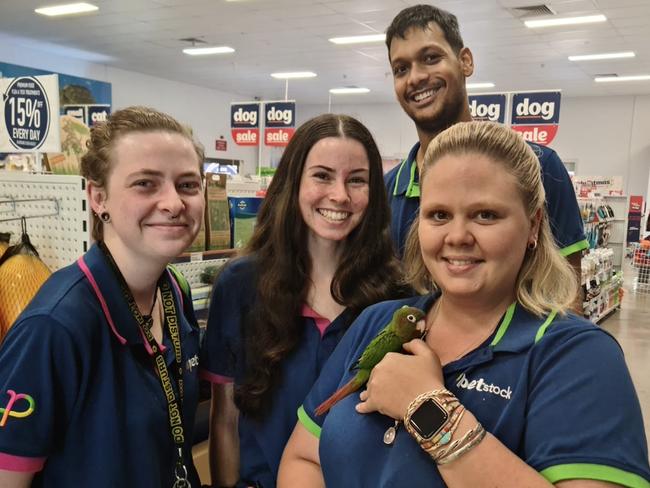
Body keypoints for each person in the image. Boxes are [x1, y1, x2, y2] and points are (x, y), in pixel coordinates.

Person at [278, 121, 650, 488]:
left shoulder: (578, 357)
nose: (457, 237)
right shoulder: (379, 321)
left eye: (485, 215)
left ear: (533, 225)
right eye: (439, 215)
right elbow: (303, 457)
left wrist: (428, 407)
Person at [0, 106, 205, 487]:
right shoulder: (54, 326)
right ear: (98, 198)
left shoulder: (175, 291)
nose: (174, 203)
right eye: (145, 183)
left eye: (188, 184)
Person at [199, 113, 408, 488]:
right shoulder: (242, 284)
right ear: (293, 182)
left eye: (356, 180)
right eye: (322, 175)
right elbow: (225, 417)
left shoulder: (396, 294)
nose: (340, 195)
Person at [383, 5, 587, 291]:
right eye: (400, 69)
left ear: (465, 61)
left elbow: (568, 294)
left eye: (430, 58)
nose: (415, 77)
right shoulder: (385, 191)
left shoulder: (540, 166)